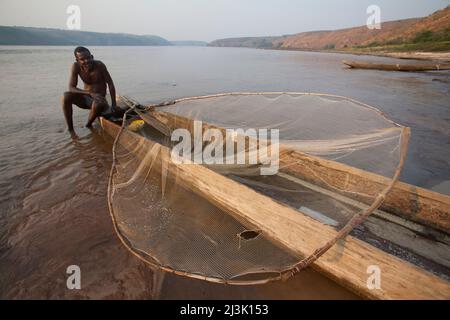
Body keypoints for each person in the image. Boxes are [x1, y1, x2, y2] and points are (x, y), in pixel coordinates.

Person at [61, 46, 117, 138]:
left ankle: (88, 125)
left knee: (97, 103)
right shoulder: (76, 66)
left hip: (100, 100)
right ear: (77, 60)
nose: (86, 61)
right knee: (66, 96)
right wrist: (90, 93)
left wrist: (114, 105)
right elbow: (71, 87)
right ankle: (70, 129)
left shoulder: (100, 65)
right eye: (82, 59)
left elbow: (110, 83)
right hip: (87, 98)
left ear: (92, 56)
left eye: (88, 58)